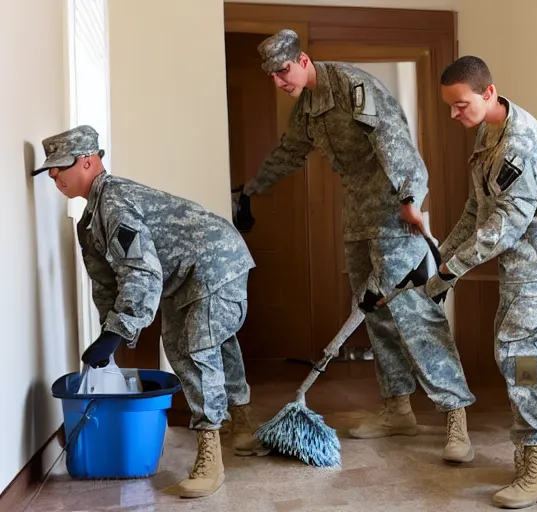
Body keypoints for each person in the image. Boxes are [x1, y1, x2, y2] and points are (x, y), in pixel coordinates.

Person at [232, 29, 477, 463]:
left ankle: (456, 418)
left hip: (395, 214)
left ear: (302, 60)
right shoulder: (306, 109)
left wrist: (409, 198)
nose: (279, 81)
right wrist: (250, 191)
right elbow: (289, 153)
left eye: (283, 71)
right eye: (271, 75)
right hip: (358, 220)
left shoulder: (351, 86)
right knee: (376, 314)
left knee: (415, 313)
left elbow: (392, 141)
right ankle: (397, 410)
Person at [31, 125, 257, 498]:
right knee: (204, 342)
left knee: (194, 348)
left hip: (216, 262)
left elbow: (141, 271)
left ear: (88, 162)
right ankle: (243, 425)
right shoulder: (90, 222)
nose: (54, 175)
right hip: (185, 273)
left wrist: (118, 332)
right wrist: (110, 332)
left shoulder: (114, 204)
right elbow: (107, 283)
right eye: (49, 169)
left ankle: (210, 457)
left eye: (60, 167)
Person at [426, 55, 537, 509]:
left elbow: (507, 223)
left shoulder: (519, 143)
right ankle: (532, 447)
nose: (455, 114)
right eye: (450, 106)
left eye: (460, 105)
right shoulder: (487, 131)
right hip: (513, 258)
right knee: (513, 346)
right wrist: (441, 257)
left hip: (533, 258)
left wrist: (454, 269)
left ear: (488, 92)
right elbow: (477, 211)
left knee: (521, 349)